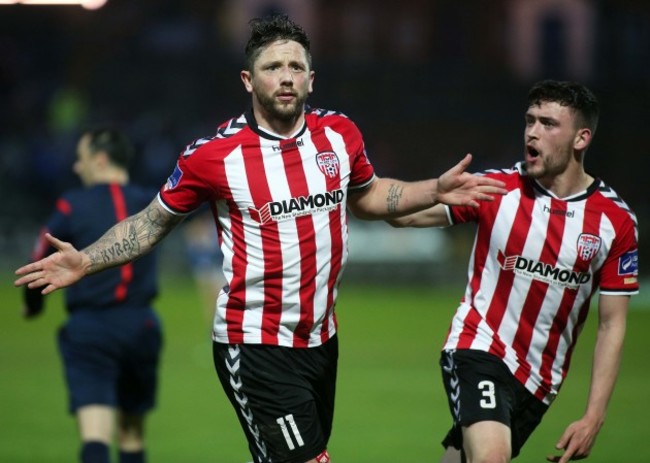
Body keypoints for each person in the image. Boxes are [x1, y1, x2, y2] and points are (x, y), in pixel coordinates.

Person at [15, 15, 505, 463]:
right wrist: (86, 261)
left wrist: (434, 190)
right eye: (273, 67)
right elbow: (149, 223)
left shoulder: (340, 136)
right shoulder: (213, 157)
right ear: (249, 80)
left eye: (296, 66)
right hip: (253, 345)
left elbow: (371, 196)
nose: (287, 76)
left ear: (312, 78)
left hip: (321, 340)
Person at [389, 80, 639, 463]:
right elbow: (401, 218)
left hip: (539, 382)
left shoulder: (615, 221)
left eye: (548, 124)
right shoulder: (495, 189)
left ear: (581, 138)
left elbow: (612, 324)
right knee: (492, 457)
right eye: (530, 121)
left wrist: (594, 415)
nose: (533, 132)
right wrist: (417, 192)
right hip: (479, 348)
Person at [21, 128, 163, 463]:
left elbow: (39, 258)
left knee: (95, 434)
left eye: (81, 159)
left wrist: (34, 305)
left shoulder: (72, 204)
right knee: (131, 433)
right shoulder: (151, 203)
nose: (76, 167)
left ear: (99, 160)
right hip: (140, 326)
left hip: (91, 329)